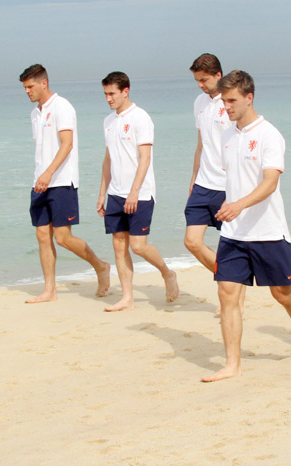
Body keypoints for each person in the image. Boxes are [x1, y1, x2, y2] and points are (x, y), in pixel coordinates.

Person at [202, 70, 291, 382]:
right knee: (227, 293)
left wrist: (239, 205)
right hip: (234, 233)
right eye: (224, 101)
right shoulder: (227, 136)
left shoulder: (269, 135)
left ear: (249, 98)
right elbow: (230, 178)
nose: (226, 107)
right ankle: (232, 364)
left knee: (283, 294)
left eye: (232, 101)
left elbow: (269, 183)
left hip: (267, 231)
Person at [19, 64, 110, 303]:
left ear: (43, 83)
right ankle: (50, 290)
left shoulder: (62, 107)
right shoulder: (34, 113)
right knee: (42, 236)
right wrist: (41, 175)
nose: (27, 91)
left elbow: (66, 144)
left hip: (61, 181)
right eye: (25, 88)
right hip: (40, 181)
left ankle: (100, 266)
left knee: (63, 238)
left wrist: (49, 174)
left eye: (30, 86)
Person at [97, 71, 179, 312]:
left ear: (125, 91)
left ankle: (167, 273)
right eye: (105, 94)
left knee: (138, 246)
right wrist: (102, 193)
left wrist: (134, 192)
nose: (108, 99)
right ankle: (128, 297)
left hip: (140, 194)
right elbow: (108, 160)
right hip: (115, 192)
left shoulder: (140, 118)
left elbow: (145, 158)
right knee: (118, 244)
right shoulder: (108, 121)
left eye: (112, 93)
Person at [184, 53, 246, 311]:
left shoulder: (231, 103)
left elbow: (242, 142)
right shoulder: (199, 102)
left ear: (218, 76)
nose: (201, 85)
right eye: (197, 80)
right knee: (192, 241)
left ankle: (234, 297)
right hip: (203, 184)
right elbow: (201, 145)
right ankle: (228, 280)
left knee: (232, 247)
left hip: (227, 186)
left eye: (204, 79)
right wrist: (193, 179)